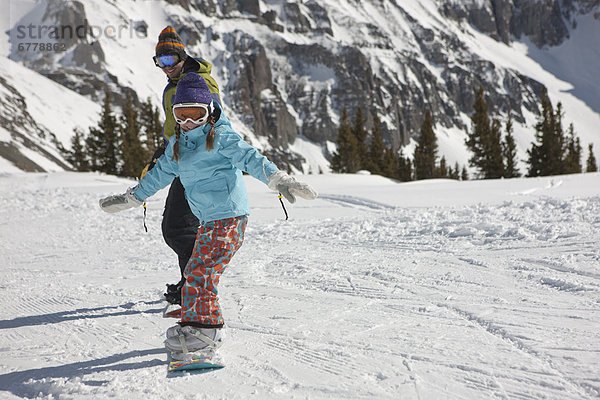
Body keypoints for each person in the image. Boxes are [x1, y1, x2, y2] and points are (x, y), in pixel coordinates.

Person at [99, 73, 317, 360]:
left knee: (201, 272)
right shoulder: (177, 147)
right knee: (195, 271)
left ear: (209, 112)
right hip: (210, 220)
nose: (189, 122)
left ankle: (208, 330)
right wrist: (132, 198)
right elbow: (157, 177)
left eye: (196, 115)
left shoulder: (222, 137)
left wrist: (279, 179)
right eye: (182, 115)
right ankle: (195, 324)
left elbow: (251, 158)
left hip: (228, 216)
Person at [145, 26, 222, 305]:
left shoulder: (197, 81)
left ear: (181, 55)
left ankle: (197, 284)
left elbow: (213, 117)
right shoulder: (174, 83)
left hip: (197, 161)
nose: (164, 67)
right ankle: (190, 281)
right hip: (181, 156)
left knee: (177, 227)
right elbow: (175, 125)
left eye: (169, 60)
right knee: (183, 225)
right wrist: (163, 151)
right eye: (159, 61)